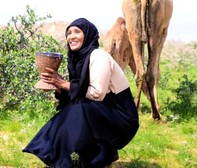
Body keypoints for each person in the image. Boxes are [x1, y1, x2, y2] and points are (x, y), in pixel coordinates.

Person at [23, 18, 139, 167]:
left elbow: (97, 94)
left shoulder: (99, 56)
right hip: (105, 110)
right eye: (69, 33)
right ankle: (98, 155)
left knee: (78, 110)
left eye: (77, 32)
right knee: (75, 107)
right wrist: (57, 85)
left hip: (122, 116)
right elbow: (78, 92)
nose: (71, 36)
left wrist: (63, 83)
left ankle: (62, 158)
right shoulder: (78, 59)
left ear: (88, 35)